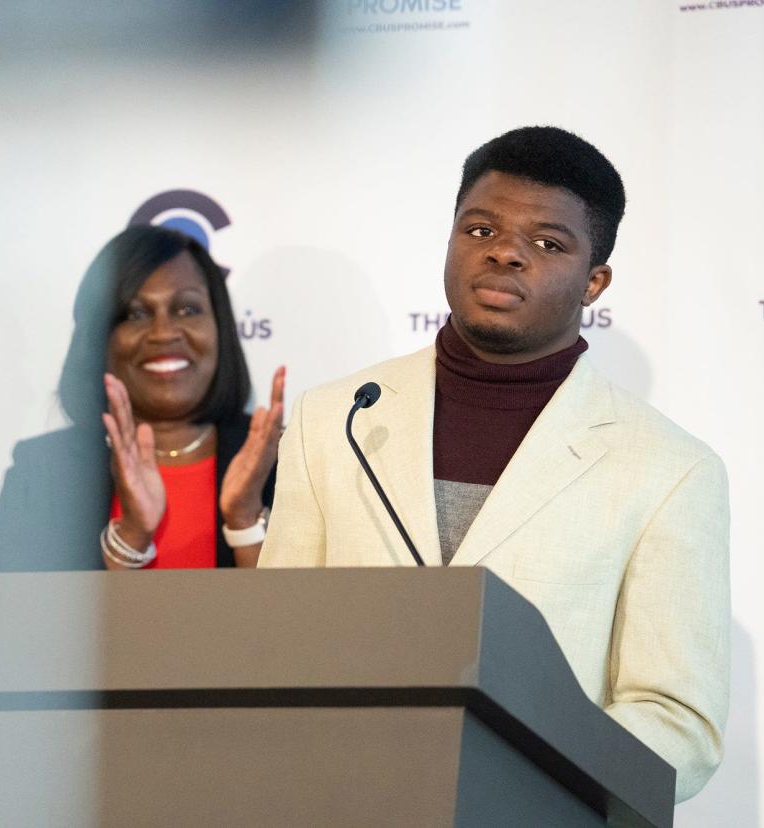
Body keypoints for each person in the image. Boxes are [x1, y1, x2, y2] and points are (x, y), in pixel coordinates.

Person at [258, 126, 729, 802]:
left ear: (595, 281)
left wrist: (514, 781)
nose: (505, 252)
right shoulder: (334, 417)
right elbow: (278, 642)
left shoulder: (670, 469)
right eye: (480, 230)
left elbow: (678, 723)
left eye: (547, 244)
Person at [0, 225, 282, 570]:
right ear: (98, 341)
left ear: (220, 328)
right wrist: (130, 536)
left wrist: (245, 521)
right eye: (135, 314)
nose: (163, 333)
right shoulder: (42, 474)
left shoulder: (286, 464)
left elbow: (302, 621)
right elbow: (27, 621)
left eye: (187, 309)